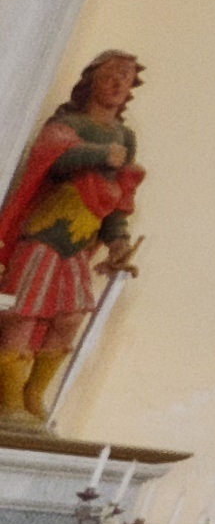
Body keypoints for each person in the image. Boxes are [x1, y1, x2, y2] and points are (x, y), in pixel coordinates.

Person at [0, 51, 139, 424]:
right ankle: (8, 401)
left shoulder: (125, 137)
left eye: (125, 79)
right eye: (111, 75)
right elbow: (53, 160)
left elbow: (117, 198)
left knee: (70, 316)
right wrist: (97, 154)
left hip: (80, 242)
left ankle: (33, 395)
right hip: (45, 235)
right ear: (91, 79)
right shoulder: (68, 122)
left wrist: (119, 242)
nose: (117, 84)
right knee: (22, 314)